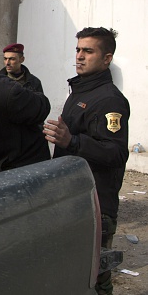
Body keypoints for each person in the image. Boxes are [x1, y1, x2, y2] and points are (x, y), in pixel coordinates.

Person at [43, 27, 129, 295]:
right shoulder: (80, 91)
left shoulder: (109, 100)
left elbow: (116, 153)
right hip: (72, 199)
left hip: (95, 206)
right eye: (78, 50)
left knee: (95, 279)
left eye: (88, 51)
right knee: (73, 273)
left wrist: (73, 141)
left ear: (107, 59)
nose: (79, 56)